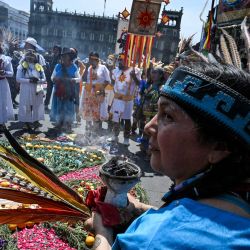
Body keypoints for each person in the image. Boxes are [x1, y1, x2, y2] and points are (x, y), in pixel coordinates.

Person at [86, 62, 250, 249]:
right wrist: (139, 208)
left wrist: (103, 234)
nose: (148, 127)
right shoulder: (240, 199)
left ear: (219, 147)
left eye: (168, 116)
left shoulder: (155, 238)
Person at [109, 54, 141, 145]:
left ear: (127, 60)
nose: (119, 61)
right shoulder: (116, 70)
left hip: (127, 99)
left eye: (121, 60)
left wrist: (134, 76)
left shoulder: (135, 70)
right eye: (119, 59)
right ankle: (115, 136)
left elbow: (139, 84)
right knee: (116, 118)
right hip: (117, 98)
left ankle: (126, 138)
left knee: (127, 119)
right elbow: (113, 81)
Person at [50, 47, 81, 132]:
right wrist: (55, 79)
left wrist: (71, 80)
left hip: (69, 92)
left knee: (68, 108)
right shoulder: (58, 66)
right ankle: (59, 123)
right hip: (59, 91)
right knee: (59, 107)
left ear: (70, 57)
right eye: (63, 56)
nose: (64, 58)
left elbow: (79, 79)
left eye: (66, 56)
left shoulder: (74, 67)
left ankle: (68, 124)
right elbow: (52, 77)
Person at [82, 52, 111, 136]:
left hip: (98, 94)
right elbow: (84, 79)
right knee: (88, 114)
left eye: (94, 60)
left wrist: (101, 88)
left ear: (98, 60)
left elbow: (108, 80)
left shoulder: (103, 68)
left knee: (96, 115)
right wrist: (87, 66)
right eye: (91, 59)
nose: (92, 61)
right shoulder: (89, 68)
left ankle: (95, 135)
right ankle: (87, 133)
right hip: (88, 94)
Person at [138, 67, 166, 153]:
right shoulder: (148, 84)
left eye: (155, 73)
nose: (152, 74)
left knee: (152, 132)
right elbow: (142, 96)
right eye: (152, 72)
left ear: (161, 75)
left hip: (154, 115)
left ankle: (150, 152)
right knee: (144, 129)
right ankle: (144, 146)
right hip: (144, 111)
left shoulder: (162, 87)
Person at [16, 50, 46, 130]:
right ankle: (27, 122)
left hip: (37, 87)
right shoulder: (22, 66)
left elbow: (44, 78)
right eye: (28, 56)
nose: (30, 58)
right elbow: (18, 79)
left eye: (32, 56)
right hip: (26, 88)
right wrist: (29, 80)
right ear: (25, 57)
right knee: (27, 104)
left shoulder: (39, 66)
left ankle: (35, 120)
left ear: (35, 57)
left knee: (37, 104)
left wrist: (38, 80)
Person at [70, 48, 86, 124]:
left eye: (72, 52)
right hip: (69, 82)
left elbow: (84, 68)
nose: (71, 53)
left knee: (76, 100)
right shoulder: (67, 59)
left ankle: (78, 117)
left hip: (75, 83)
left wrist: (80, 75)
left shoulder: (77, 61)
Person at [44, 45, 62, 112]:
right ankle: (46, 104)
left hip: (58, 77)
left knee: (57, 92)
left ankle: (56, 106)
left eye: (57, 49)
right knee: (48, 91)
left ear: (59, 50)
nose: (55, 50)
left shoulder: (61, 57)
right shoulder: (51, 56)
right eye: (54, 49)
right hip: (49, 76)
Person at [0, 45, 14, 125]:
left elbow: (11, 73)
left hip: (2, 84)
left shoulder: (6, 59)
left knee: (2, 103)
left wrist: (4, 72)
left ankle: (1, 123)